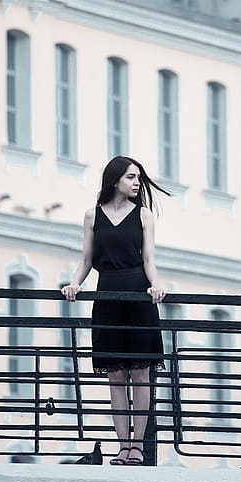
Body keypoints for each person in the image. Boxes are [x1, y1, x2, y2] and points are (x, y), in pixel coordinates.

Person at [62, 157, 167, 465]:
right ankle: (122, 446)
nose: (137, 183)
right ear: (115, 180)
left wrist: (156, 286)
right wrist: (74, 284)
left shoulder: (144, 216)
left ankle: (137, 447)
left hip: (138, 294)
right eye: (131, 177)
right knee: (116, 374)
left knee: (141, 373)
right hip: (106, 294)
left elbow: (149, 259)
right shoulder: (92, 215)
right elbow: (86, 259)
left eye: (138, 178)